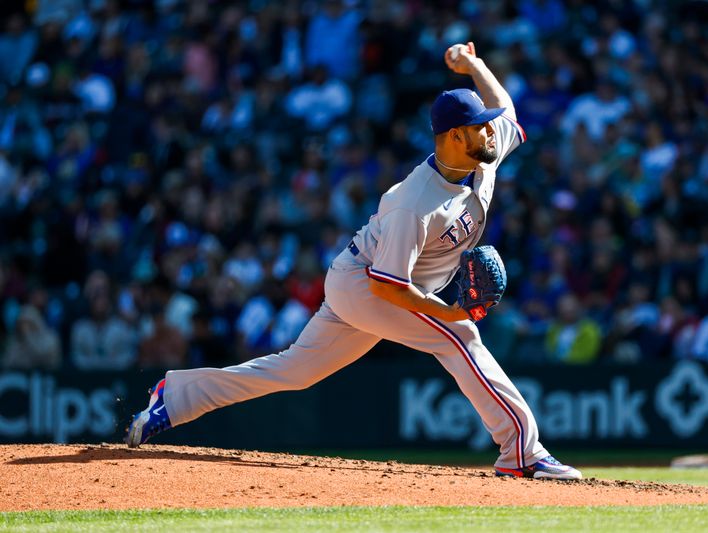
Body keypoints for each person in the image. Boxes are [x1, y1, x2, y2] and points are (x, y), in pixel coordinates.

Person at [125, 42, 582, 480]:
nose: (491, 129)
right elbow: (388, 287)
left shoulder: (482, 154)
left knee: (294, 371)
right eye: (480, 126)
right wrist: (450, 311)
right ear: (453, 136)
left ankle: (176, 396)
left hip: (371, 283)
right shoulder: (413, 203)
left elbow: (507, 108)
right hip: (366, 284)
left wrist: (471, 66)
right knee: (459, 336)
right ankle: (522, 451)